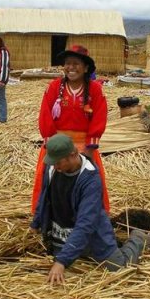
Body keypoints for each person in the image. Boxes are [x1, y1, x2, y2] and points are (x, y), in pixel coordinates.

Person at [30, 134, 150, 285]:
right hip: (62, 237)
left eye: (58, 162)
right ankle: (76, 251)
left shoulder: (90, 178)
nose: (55, 166)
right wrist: (36, 224)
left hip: (92, 236)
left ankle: (138, 239)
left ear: (72, 155)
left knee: (119, 268)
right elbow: (44, 197)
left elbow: (86, 223)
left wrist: (61, 262)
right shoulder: (52, 167)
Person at [31, 45, 109, 213]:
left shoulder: (95, 90)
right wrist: (52, 145)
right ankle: (47, 218)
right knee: (50, 182)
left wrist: (89, 149)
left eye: (76, 63)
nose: (71, 67)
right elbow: (45, 114)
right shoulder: (53, 87)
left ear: (86, 68)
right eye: (67, 63)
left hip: (85, 146)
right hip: (57, 145)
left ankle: (87, 219)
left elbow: (99, 118)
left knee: (87, 183)